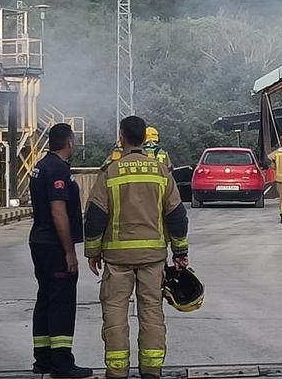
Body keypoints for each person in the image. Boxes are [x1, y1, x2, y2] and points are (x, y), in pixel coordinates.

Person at [84, 116, 189, 379]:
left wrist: (92, 252)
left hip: (117, 258)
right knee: (152, 311)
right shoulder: (161, 171)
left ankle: (117, 371)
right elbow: (177, 215)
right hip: (153, 257)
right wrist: (180, 252)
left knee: (115, 312)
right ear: (145, 138)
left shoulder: (110, 171)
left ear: (121, 137)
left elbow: (95, 216)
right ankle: (151, 370)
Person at [29, 123, 93, 378]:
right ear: (69, 142)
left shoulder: (41, 165)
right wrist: (69, 252)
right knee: (61, 303)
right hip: (54, 246)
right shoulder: (57, 169)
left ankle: (42, 359)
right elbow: (59, 212)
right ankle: (62, 363)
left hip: (39, 242)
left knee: (45, 299)